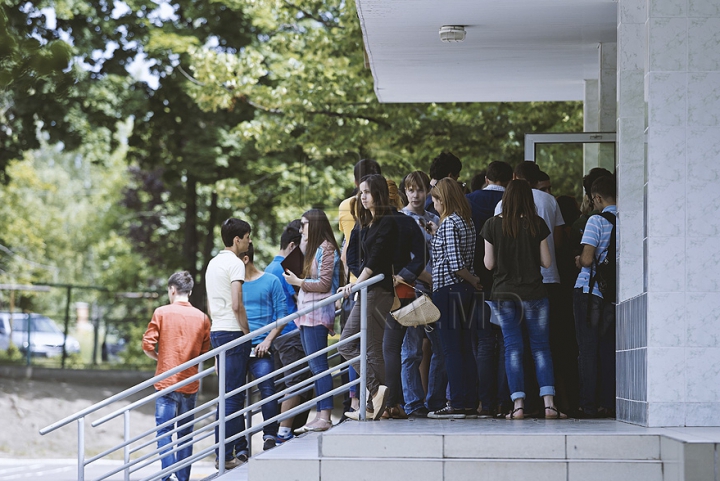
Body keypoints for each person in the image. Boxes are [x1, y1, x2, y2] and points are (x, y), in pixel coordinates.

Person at [481, 179, 566, 420]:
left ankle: (518, 406)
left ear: (505, 200)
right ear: (529, 201)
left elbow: (489, 264)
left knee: (513, 349)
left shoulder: (491, 225)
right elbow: (547, 262)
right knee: (541, 348)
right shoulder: (537, 224)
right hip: (535, 294)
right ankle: (549, 404)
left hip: (504, 295)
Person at [338, 174, 398, 420]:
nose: (362, 197)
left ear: (379, 194)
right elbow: (352, 255)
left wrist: (357, 283)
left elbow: (376, 260)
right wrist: (356, 278)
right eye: (360, 192)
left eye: (367, 192)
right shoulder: (364, 222)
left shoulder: (388, 222)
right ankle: (376, 401)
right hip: (366, 288)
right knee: (356, 345)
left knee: (364, 347)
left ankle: (375, 397)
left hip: (378, 289)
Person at [142, 271, 211, 481]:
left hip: (165, 383)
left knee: (164, 433)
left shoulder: (161, 312)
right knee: (185, 435)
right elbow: (205, 353)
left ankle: (167, 476)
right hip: (190, 384)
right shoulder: (202, 318)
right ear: (189, 291)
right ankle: (182, 478)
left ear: (172, 289)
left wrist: (160, 358)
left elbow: (147, 345)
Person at [284, 209, 343, 432]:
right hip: (307, 313)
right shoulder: (313, 248)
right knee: (314, 365)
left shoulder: (326, 248)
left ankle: (325, 415)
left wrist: (299, 282)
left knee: (319, 365)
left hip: (318, 312)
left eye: (304, 224)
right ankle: (320, 414)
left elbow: (324, 284)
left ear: (315, 224)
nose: (301, 229)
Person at [426, 177, 481, 419]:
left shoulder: (449, 223)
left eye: (435, 200)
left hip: (449, 289)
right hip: (464, 292)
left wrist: (473, 280)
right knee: (464, 348)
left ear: (442, 200)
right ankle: (469, 400)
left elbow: (456, 264)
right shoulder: (466, 221)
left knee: (451, 349)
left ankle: (457, 402)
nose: (434, 205)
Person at [466, 160, 513, 417]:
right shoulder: (516, 202)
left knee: (484, 342)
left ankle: (484, 401)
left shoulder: (470, 201)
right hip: (507, 279)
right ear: (510, 179)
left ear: (486, 178)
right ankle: (506, 401)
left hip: (478, 279)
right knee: (508, 341)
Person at [204, 218, 252, 470]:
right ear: (237, 240)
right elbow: (236, 304)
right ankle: (224, 456)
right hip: (233, 333)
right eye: (247, 237)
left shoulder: (213, 263)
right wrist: (246, 331)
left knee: (226, 397)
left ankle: (224, 454)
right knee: (233, 398)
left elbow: (212, 306)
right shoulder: (235, 264)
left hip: (217, 332)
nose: (249, 241)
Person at [399, 171, 447, 418]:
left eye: (419, 189)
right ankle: (413, 403)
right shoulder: (400, 219)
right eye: (410, 189)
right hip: (413, 290)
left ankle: (435, 400)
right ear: (405, 191)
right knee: (412, 350)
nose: (416, 194)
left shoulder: (433, 217)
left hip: (436, 289)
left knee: (440, 348)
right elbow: (403, 261)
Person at [381, 179, 429, 419]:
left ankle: (393, 402)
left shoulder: (380, 222)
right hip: (408, 290)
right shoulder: (407, 221)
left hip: (397, 292)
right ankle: (400, 402)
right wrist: (402, 276)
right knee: (406, 349)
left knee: (396, 349)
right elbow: (421, 257)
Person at [573, 174, 617, 419]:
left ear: (597, 197)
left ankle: (587, 405)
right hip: (612, 294)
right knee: (607, 348)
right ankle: (607, 403)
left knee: (587, 349)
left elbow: (588, 259)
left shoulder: (596, 221)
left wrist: (579, 260)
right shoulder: (627, 220)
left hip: (590, 292)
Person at [265, 220, 311, 443]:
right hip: (290, 333)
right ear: (293, 245)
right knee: (298, 382)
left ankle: (274, 434)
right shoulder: (286, 269)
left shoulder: (268, 269)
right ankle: (284, 433)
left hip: (276, 337)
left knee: (283, 385)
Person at [239, 243, 286, 451]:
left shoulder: (271, 280)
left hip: (262, 348)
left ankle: (269, 435)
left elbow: (282, 316)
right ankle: (239, 447)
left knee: (268, 387)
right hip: (237, 349)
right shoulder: (234, 285)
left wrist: (269, 340)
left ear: (245, 259)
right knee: (233, 397)